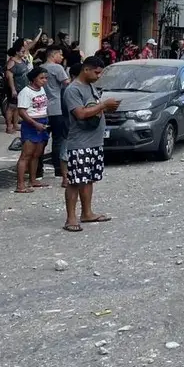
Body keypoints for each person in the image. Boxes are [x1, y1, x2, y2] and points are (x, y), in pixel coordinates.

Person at [62, 57, 120, 232]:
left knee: (89, 178)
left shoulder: (90, 87)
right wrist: (103, 105)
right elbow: (80, 113)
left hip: (94, 141)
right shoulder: (73, 90)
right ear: (86, 70)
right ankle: (70, 218)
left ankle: (87, 213)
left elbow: (93, 109)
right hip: (79, 143)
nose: (98, 75)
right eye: (96, 72)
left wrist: (106, 108)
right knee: (74, 180)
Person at [15, 66, 51, 193]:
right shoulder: (26, 92)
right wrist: (34, 124)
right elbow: (22, 111)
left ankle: (33, 179)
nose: (44, 80)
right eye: (41, 78)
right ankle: (20, 185)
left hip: (43, 122)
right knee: (26, 155)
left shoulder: (41, 89)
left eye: (46, 78)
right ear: (33, 78)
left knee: (37, 154)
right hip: (31, 124)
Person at [42, 46, 71, 186]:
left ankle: (37, 170)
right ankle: (59, 169)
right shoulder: (58, 68)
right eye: (60, 54)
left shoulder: (41, 68)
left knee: (41, 141)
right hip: (57, 108)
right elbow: (67, 84)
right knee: (58, 140)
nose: (62, 57)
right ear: (53, 55)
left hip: (42, 109)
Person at [5, 39, 33, 134]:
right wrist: (13, 89)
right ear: (17, 52)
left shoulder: (22, 60)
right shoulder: (12, 61)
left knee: (18, 107)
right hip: (15, 88)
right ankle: (9, 126)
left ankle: (15, 124)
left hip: (23, 88)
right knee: (11, 107)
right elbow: (10, 77)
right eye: (22, 51)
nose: (23, 53)